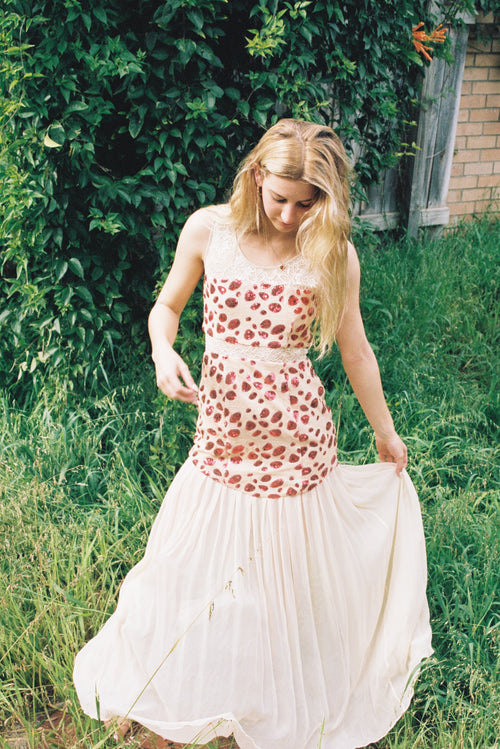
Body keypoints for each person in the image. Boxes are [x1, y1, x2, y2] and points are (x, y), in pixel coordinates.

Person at [74, 119, 433, 749]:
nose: (291, 216)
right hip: (223, 434)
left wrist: (386, 432)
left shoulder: (333, 253)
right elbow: (166, 307)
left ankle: (280, 684)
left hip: (298, 440)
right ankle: (186, 675)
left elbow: (356, 350)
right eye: (281, 198)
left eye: (308, 203)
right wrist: (163, 352)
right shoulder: (208, 231)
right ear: (257, 176)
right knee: (188, 561)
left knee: (289, 577)